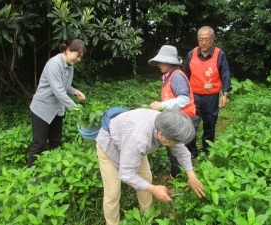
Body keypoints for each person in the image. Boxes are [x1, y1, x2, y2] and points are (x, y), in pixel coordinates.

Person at [95, 108, 205, 225]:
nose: (177, 145)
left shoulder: (167, 126)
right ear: (162, 135)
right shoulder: (140, 139)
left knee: (146, 179)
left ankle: (147, 218)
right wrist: (154, 189)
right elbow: (126, 174)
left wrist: (192, 177)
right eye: (175, 142)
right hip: (110, 148)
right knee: (113, 192)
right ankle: (112, 223)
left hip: (132, 147)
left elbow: (181, 152)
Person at [28, 38, 87, 167]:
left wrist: (75, 91)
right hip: (42, 109)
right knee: (39, 142)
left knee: (55, 141)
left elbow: (65, 86)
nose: (78, 60)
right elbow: (59, 92)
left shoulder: (70, 65)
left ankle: (53, 169)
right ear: (67, 50)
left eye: (80, 57)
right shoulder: (54, 64)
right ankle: (30, 173)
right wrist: (77, 108)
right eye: (77, 56)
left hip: (57, 109)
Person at [148, 45, 200, 180]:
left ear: (170, 62)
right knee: (176, 148)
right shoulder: (170, 76)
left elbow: (184, 99)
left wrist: (161, 105)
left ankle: (179, 178)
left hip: (183, 119)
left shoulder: (177, 76)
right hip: (177, 118)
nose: (159, 65)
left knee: (176, 149)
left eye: (161, 61)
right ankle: (178, 174)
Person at [184, 26, 232, 154]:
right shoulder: (191, 54)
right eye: (200, 40)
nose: (203, 43)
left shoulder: (219, 54)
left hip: (212, 96)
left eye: (206, 39)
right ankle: (192, 152)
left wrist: (225, 93)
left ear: (212, 39)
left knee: (210, 124)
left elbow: (226, 73)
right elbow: (186, 75)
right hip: (194, 95)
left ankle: (207, 151)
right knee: (192, 123)